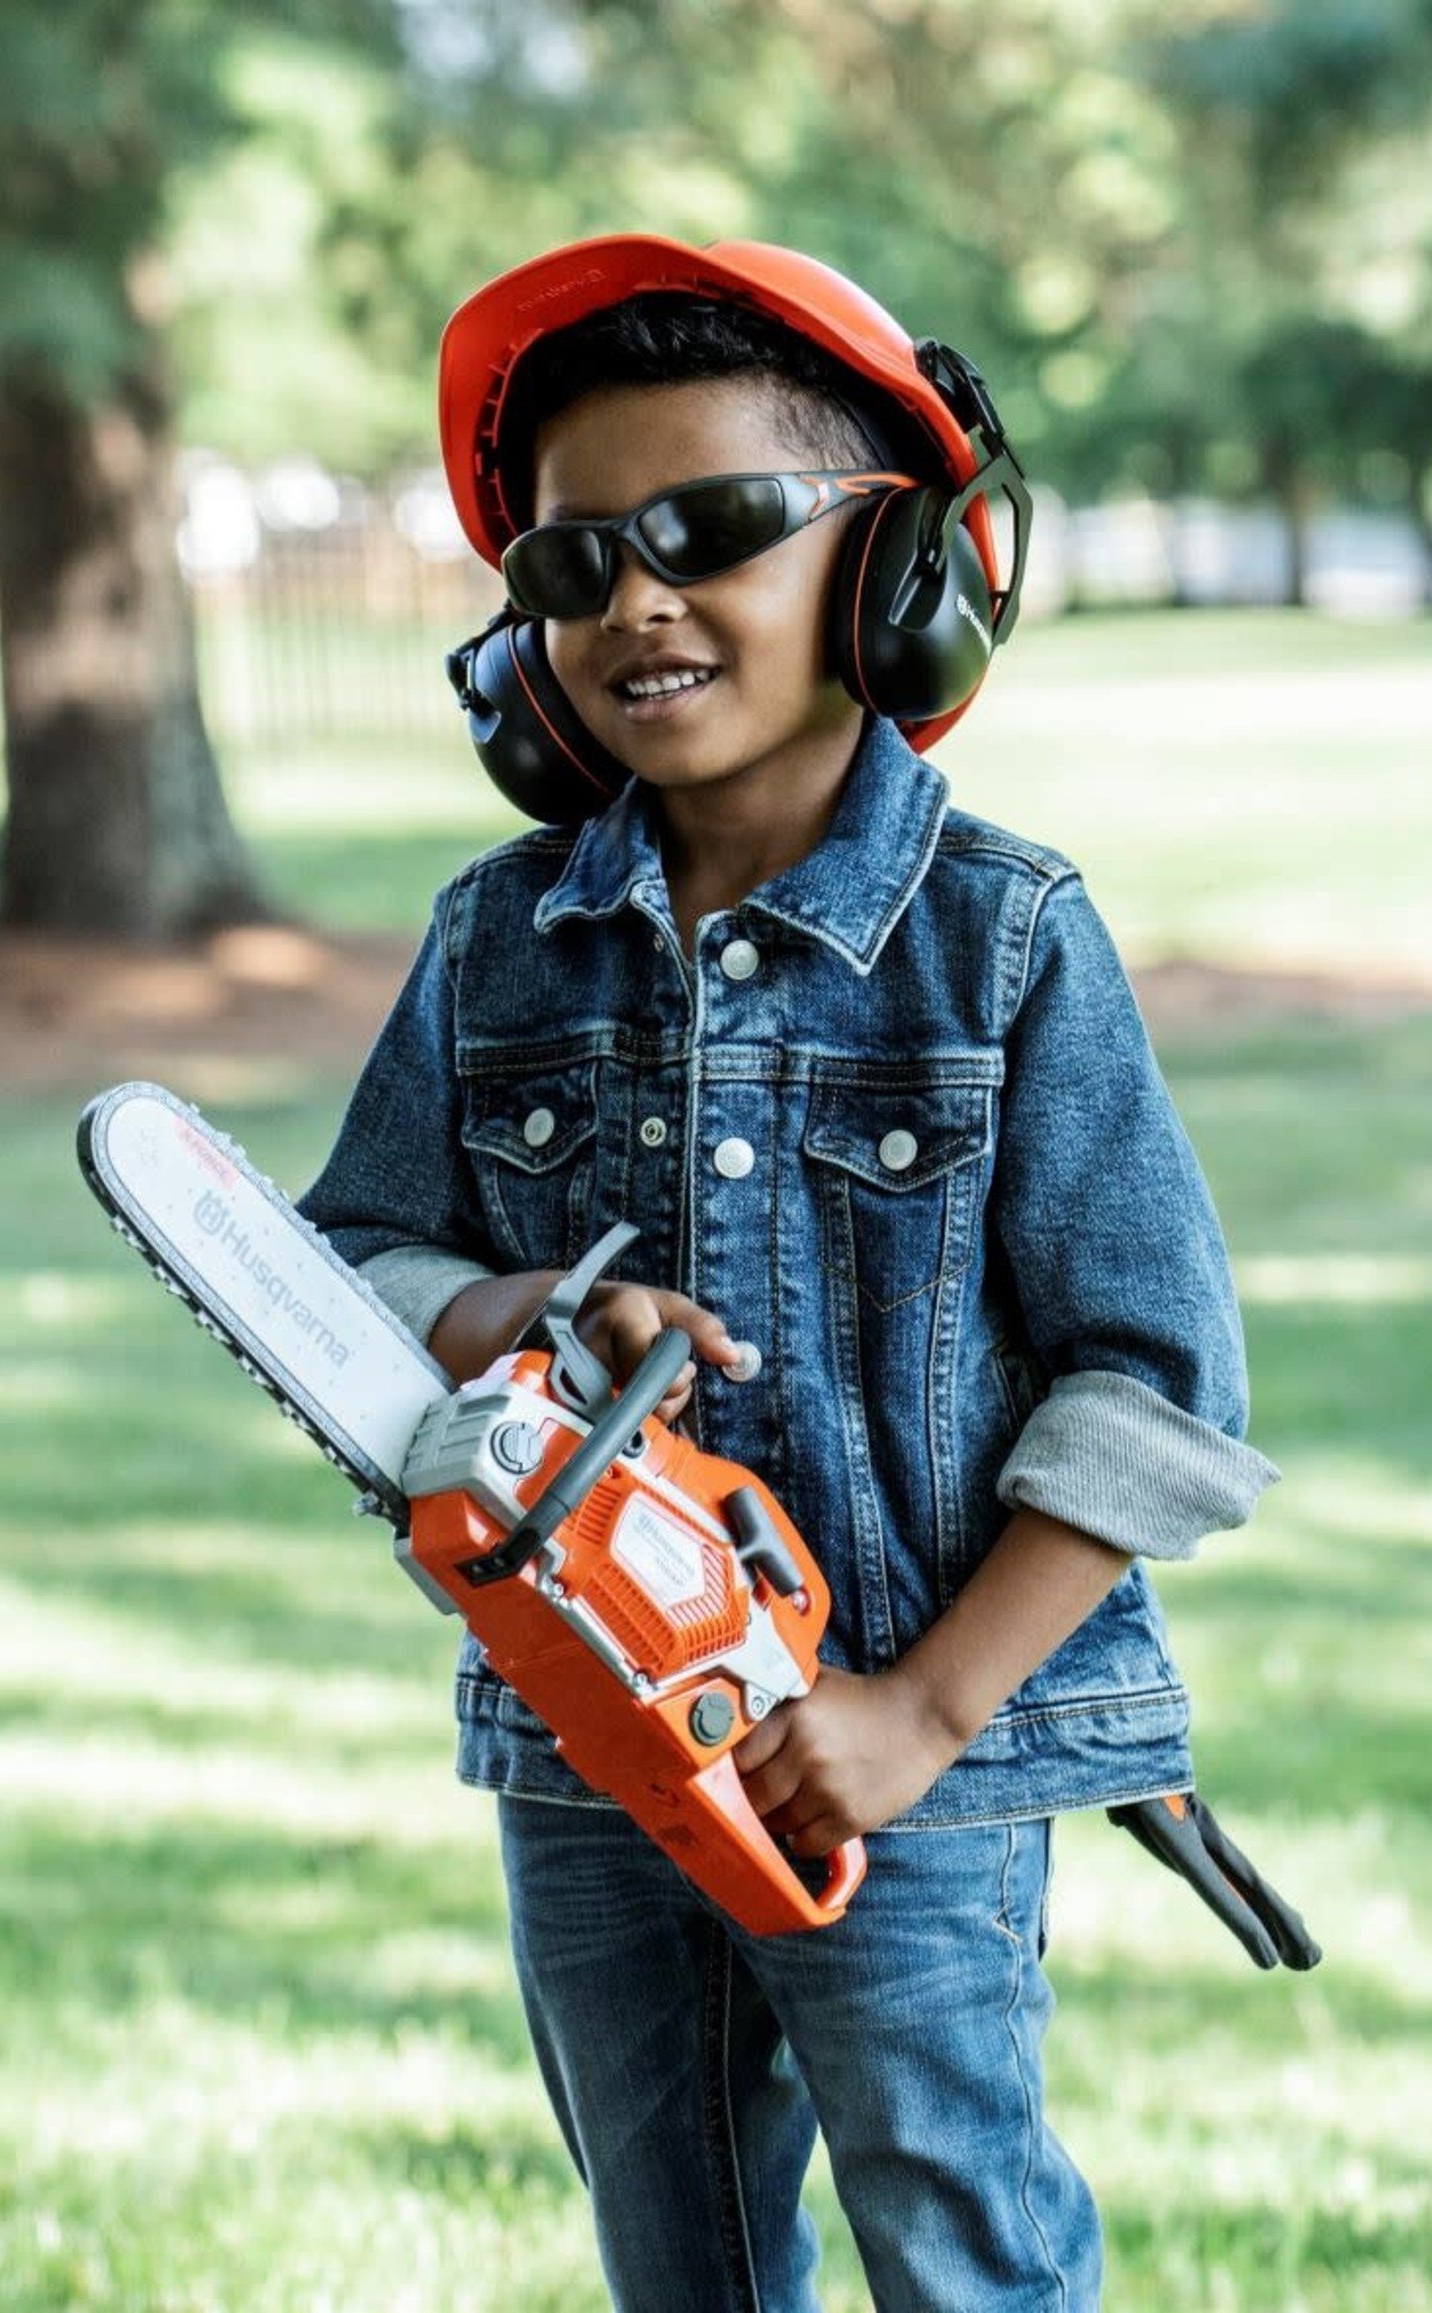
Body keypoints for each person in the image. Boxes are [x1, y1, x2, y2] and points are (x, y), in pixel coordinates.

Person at [298, 234, 1280, 2312]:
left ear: (897, 571)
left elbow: (1157, 1384)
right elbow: (352, 1269)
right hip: (585, 1736)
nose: (635, 599)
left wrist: (919, 1711)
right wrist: (513, 1316)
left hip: (895, 1766)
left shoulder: (1001, 939)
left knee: (957, 2223)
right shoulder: (495, 944)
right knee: (684, 2251)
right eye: (569, 566)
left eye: (712, 529)